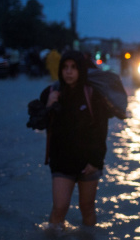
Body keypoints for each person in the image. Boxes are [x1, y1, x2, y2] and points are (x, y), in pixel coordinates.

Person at [30, 50, 112, 230]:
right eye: (65, 67)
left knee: (87, 208)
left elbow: (101, 131)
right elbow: (37, 124)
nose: (69, 72)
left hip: (88, 163)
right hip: (61, 162)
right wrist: (49, 106)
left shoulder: (92, 94)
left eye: (73, 68)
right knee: (59, 209)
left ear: (81, 70)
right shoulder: (52, 91)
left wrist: (96, 162)